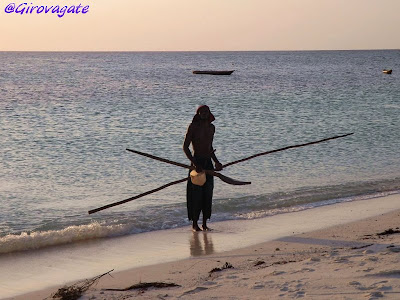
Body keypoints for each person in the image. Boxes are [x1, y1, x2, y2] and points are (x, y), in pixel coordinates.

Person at [183, 105, 223, 232]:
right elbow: (185, 147)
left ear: (209, 113)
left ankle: (205, 224)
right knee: (196, 195)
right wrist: (194, 164)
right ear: (198, 114)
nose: (204, 114)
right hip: (197, 163)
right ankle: (195, 224)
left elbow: (210, 148)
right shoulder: (193, 127)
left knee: (207, 193)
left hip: (208, 164)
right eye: (201, 112)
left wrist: (217, 162)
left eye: (206, 112)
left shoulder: (212, 127)